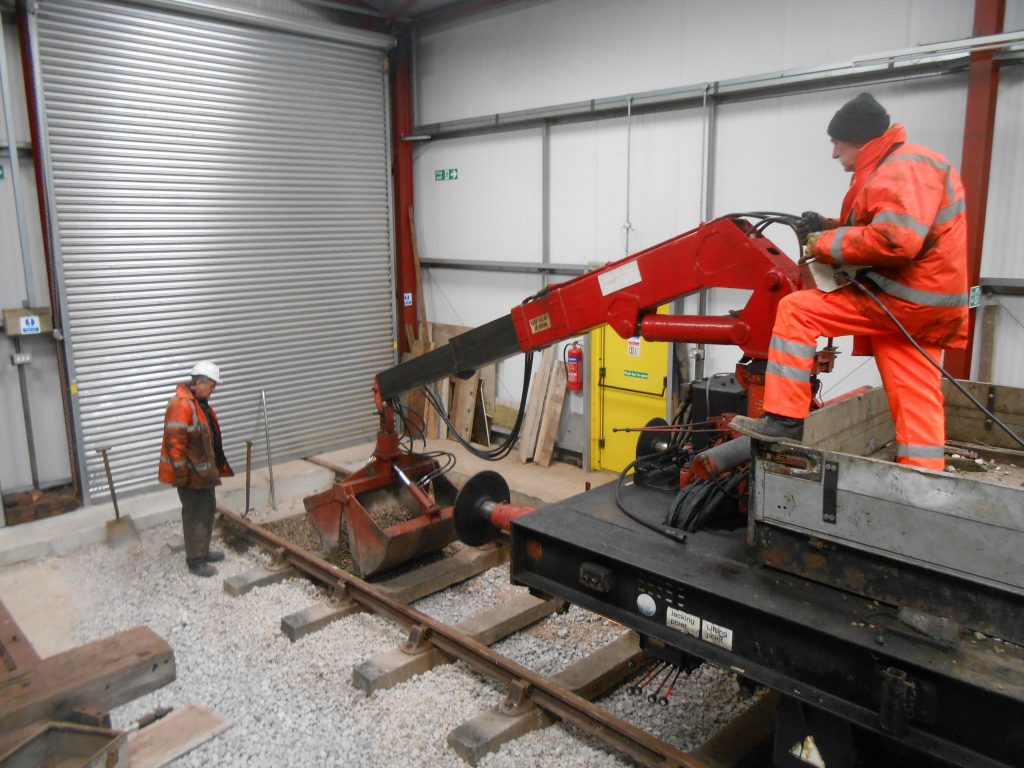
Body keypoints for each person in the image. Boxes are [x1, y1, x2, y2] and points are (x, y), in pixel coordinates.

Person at [732, 92, 968, 470]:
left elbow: (896, 239)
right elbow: (889, 227)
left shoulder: (899, 168)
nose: (833, 153)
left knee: (796, 311)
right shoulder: (913, 163)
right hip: (926, 307)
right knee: (915, 395)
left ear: (857, 139)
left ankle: (784, 421)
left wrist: (822, 242)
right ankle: (924, 478)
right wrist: (829, 226)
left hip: (900, 300)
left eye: (835, 143)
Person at [158, 361, 234, 576]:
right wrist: (181, 475)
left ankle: (203, 550)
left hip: (202, 474)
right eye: (212, 385)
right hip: (190, 476)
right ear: (200, 382)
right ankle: (195, 561)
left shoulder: (200, 404)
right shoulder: (180, 405)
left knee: (207, 509)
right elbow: (175, 444)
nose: (214, 389)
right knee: (194, 514)